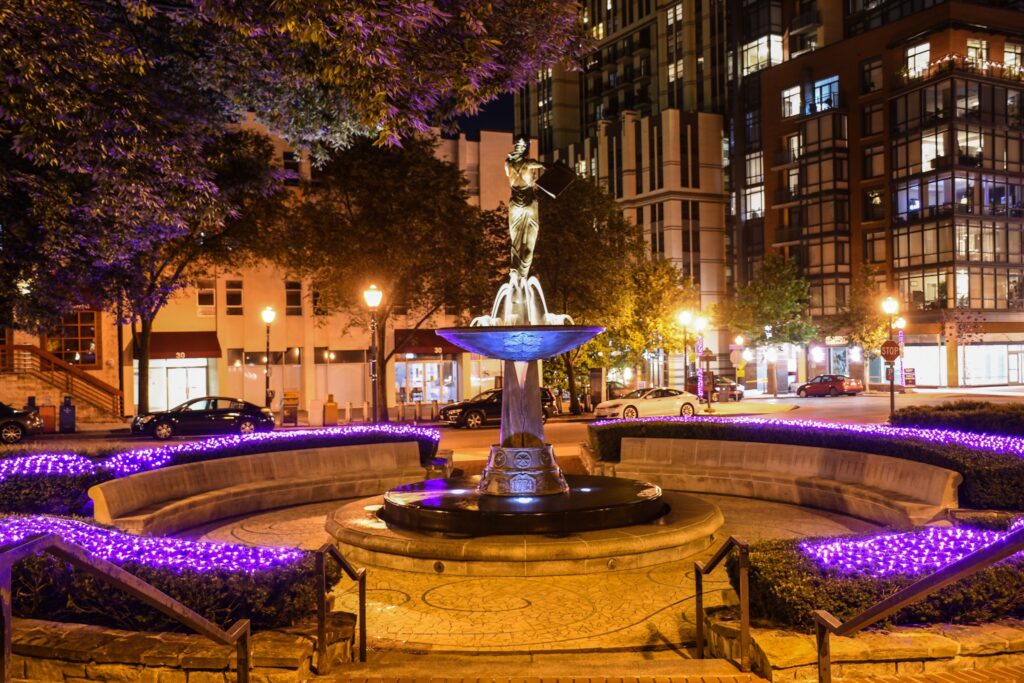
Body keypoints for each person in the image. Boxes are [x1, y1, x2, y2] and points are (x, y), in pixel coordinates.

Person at [505, 136, 546, 281]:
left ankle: (515, 272)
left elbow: (508, 171)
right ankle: (522, 274)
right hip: (529, 203)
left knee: (515, 242)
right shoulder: (529, 163)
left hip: (515, 203)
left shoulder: (508, 163)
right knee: (530, 242)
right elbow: (541, 165)